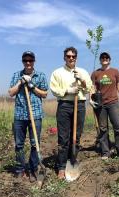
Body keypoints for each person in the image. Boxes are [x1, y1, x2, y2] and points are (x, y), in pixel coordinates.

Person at [50, 47, 92, 179]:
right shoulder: (57, 73)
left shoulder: (83, 72)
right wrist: (68, 90)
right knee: (63, 138)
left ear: (76, 58)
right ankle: (62, 167)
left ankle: (72, 160)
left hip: (79, 105)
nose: (71, 58)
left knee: (76, 136)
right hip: (65, 105)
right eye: (68, 56)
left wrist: (83, 81)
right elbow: (54, 89)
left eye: (73, 56)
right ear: (64, 58)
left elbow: (89, 89)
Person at [8, 51, 48, 182]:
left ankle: (33, 169)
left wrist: (32, 86)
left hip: (35, 114)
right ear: (23, 61)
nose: (28, 63)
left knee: (34, 143)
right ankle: (20, 169)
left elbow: (44, 94)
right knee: (19, 144)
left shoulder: (40, 75)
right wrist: (20, 82)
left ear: (34, 61)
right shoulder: (16, 75)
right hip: (19, 114)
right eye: (25, 60)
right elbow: (11, 93)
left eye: (30, 60)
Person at [90, 52, 119, 160]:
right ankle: (105, 152)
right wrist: (90, 99)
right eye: (102, 58)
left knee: (118, 127)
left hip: (113, 103)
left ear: (109, 59)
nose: (104, 59)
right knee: (103, 129)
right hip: (100, 105)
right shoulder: (95, 73)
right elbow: (92, 87)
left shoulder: (115, 71)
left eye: (106, 57)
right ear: (100, 60)